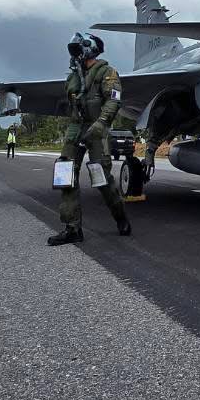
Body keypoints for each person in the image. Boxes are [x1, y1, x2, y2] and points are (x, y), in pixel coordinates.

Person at [47, 32, 132, 246]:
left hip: (96, 127)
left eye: (77, 50)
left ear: (89, 49)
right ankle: (72, 228)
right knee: (65, 173)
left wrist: (101, 123)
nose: (74, 55)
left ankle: (121, 218)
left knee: (101, 177)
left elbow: (113, 101)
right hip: (76, 127)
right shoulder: (74, 76)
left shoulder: (107, 73)